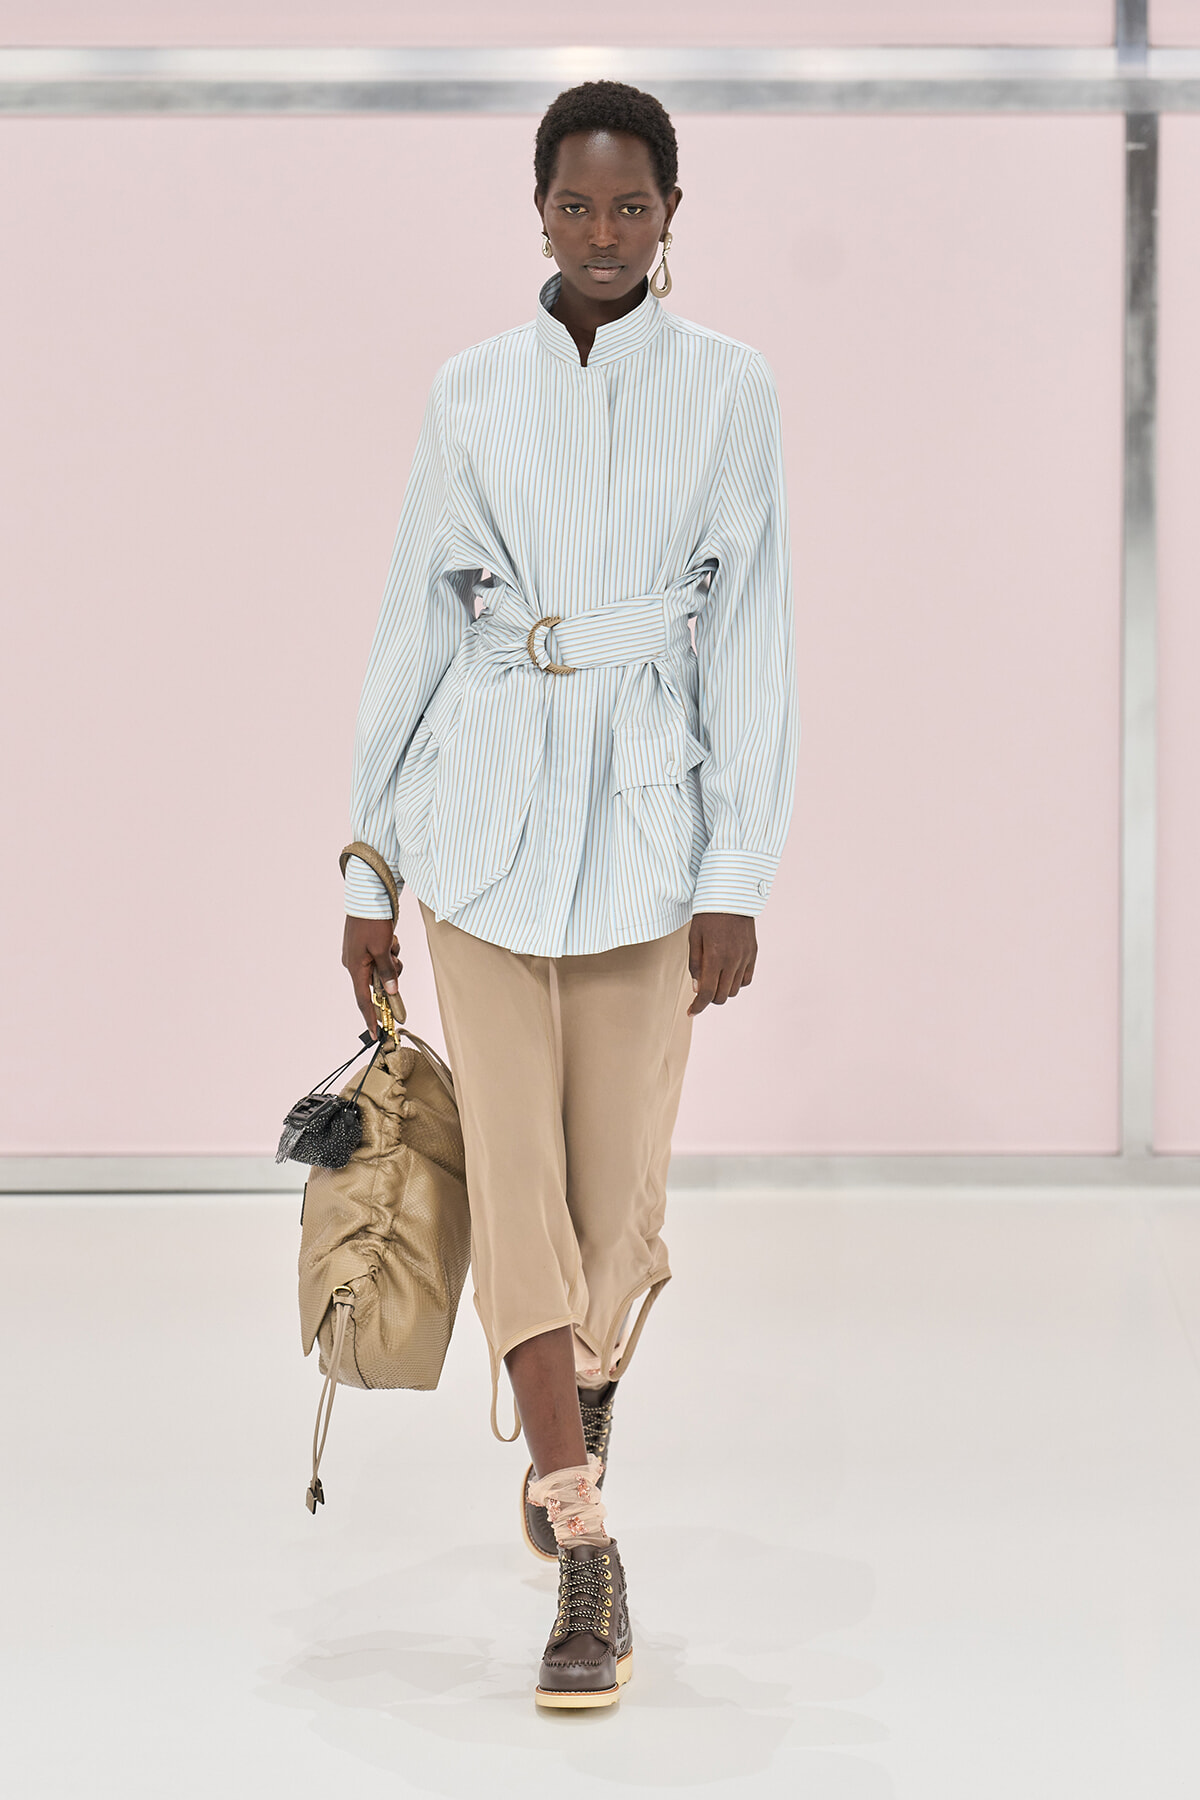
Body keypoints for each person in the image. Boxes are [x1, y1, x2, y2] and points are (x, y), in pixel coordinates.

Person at [340, 79, 798, 1710]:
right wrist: (367, 859)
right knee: (519, 1190)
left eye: (632, 206)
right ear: (536, 211)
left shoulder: (730, 392)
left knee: (620, 1206)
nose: (602, 233)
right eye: (574, 205)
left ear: (674, 213)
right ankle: (582, 1531)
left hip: (651, 844)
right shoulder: (472, 392)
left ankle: (576, 1391)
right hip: (479, 830)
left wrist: (736, 873)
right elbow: (414, 616)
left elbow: (750, 644)